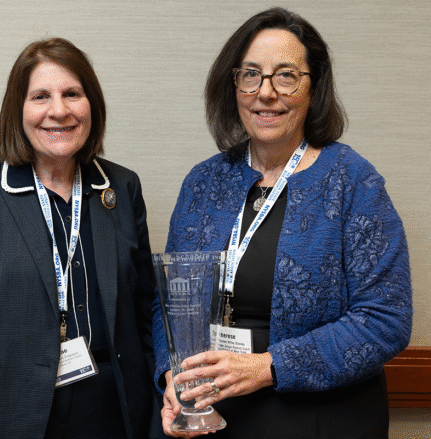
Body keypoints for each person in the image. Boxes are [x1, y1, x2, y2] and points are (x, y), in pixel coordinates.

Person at [153, 8, 412, 439]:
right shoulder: (203, 182)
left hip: (319, 417)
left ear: (314, 88)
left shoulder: (353, 182)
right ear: (233, 85)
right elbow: (166, 303)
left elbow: (386, 318)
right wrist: (173, 376)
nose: (266, 93)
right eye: (251, 74)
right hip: (213, 417)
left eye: (286, 76)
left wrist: (268, 367)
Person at [0, 38, 159, 439]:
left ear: (91, 104)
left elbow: (146, 312)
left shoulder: (121, 188)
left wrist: (157, 413)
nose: (58, 111)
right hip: (3, 418)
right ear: (18, 110)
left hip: (111, 415)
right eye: (40, 96)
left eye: (72, 94)